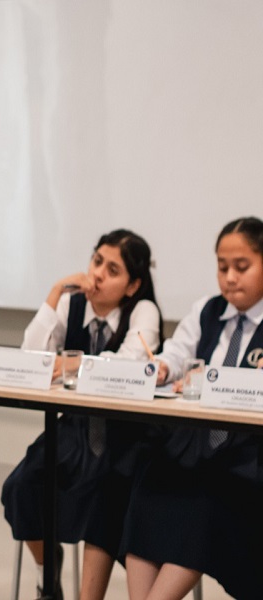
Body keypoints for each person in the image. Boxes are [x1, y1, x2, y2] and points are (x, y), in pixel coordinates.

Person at [1, 229, 163, 600]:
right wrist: (56, 290)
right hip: (75, 428)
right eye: (96, 261)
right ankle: (48, 573)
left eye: (113, 269)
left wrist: (65, 365)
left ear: (133, 284)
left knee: (104, 494)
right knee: (20, 488)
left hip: (128, 434)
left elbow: (124, 368)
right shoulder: (70, 303)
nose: (99, 274)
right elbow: (29, 360)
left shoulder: (143, 311)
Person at [122, 216, 263, 600]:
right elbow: (177, 355)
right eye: (222, 267)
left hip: (249, 455)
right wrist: (165, 368)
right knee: (148, 483)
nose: (230, 278)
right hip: (199, 445)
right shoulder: (207, 310)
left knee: (205, 500)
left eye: (242, 267)